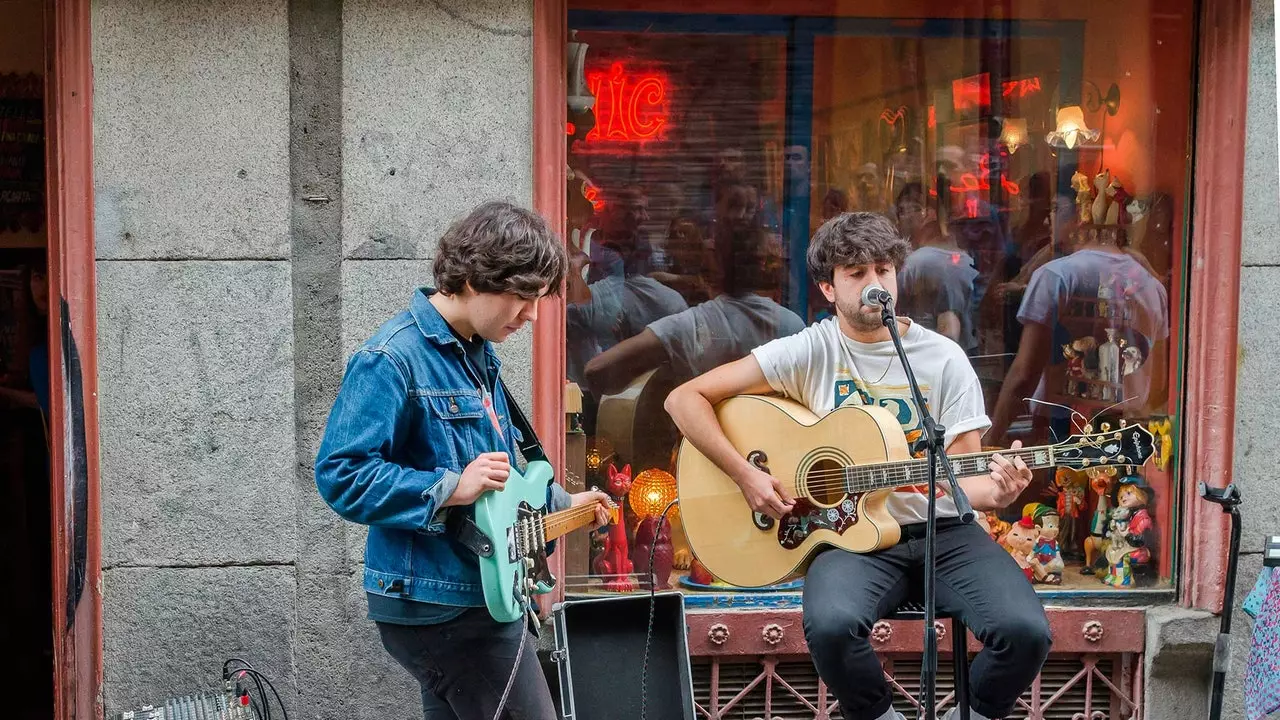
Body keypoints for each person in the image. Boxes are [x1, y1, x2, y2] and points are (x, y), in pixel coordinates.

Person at [664, 212, 1052, 720]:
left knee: (1026, 633)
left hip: (944, 532)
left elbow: (967, 479)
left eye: (884, 270)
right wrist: (746, 473)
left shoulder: (942, 359)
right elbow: (683, 399)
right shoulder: (809, 350)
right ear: (828, 287)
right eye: (857, 274)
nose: (876, 285)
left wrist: (998, 493)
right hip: (851, 535)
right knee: (829, 626)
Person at [315, 201, 612, 720]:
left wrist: (568, 503)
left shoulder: (476, 354)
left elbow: (505, 483)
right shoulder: (390, 358)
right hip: (439, 603)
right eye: (523, 298)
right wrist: (449, 487)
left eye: (539, 299)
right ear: (475, 279)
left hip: (476, 594)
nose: (532, 315)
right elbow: (341, 475)